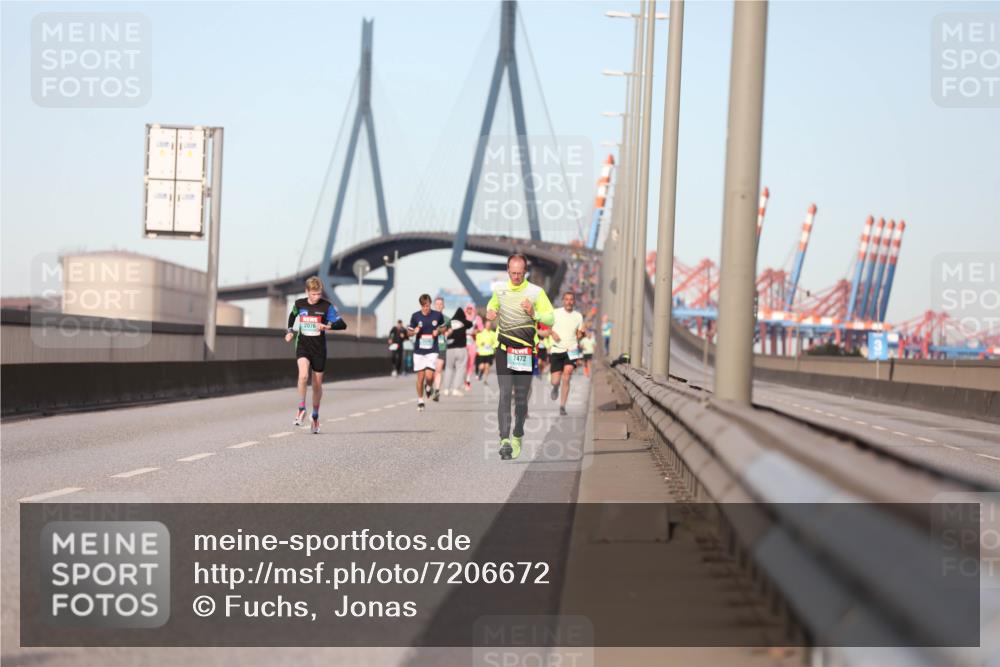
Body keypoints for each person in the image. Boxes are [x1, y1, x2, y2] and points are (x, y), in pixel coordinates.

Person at [486, 253, 554, 461]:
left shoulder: (536, 292)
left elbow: (550, 318)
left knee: (522, 398)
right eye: (513, 273)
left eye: (520, 273)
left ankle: (518, 434)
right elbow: (492, 305)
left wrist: (535, 313)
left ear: (526, 272)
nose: (516, 277)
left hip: (525, 351)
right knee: (505, 393)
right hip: (504, 348)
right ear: (508, 271)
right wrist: (490, 312)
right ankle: (504, 440)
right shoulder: (499, 289)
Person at [285, 276, 347, 433]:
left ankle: (315, 415)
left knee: (317, 384)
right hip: (303, 345)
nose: (316, 297)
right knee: (303, 376)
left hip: (319, 349)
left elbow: (342, 324)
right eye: (313, 294)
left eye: (319, 294)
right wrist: (290, 331)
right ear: (307, 292)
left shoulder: (327, 307)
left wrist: (327, 326)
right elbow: (292, 316)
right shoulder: (300, 304)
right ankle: (301, 408)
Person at [544, 291, 585, 416]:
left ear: (574, 301)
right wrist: (552, 333)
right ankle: (556, 387)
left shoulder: (578, 316)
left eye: (571, 299)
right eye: (566, 299)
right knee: (555, 381)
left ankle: (562, 406)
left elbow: (579, 334)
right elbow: (546, 327)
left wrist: (581, 335)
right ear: (563, 301)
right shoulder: (556, 313)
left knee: (567, 375)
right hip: (557, 349)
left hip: (571, 349)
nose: (569, 302)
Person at [408, 294, 446, 412]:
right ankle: (420, 400)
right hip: (419, 351)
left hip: (432, 350)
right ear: (421, 305)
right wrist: (414, 331)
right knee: (420, 376)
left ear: (430, 304)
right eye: (424, 306)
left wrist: (438, 331)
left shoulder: (437, 315)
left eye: (428, 306)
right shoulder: (415, 316)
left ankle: (428, 386)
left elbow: (444, 328)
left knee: (429, 376)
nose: (426, 308)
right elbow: (408, 333)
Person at [443, 304, 473, 397]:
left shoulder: (450, 322)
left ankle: (446, 389)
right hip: (461, 349)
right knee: (460, 369)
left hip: (450, 349)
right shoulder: (463, 322)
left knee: (448, 369)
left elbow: (443, 330)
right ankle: (456, 389)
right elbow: (470, 324)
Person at [431, 296, 448, 402]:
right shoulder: (429, 318)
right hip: (430, 347)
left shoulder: (447, 320)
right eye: (437, 304)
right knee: (430, 372)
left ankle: (437, 390)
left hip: (442, 346)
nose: (439, 306)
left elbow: (450, 333)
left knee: (439, 369)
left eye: (441, 304)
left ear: (444, 306)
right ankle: (430, 387)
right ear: (434, 306)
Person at [464, 303, 483, 390]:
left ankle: (467, 380)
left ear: (473, 309)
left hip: (472, 341)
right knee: (463, 361)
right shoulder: (462, 317)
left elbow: (481, 328)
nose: (469, 310)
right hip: (463, 341)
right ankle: (462, 379)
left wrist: (476, 331)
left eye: (471, 309)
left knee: (471, 362)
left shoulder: (477, 318)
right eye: (468, 308)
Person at [475, 319, 498, 383]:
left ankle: (485, 379)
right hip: (482, 352)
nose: (488, 326)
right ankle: (480, 373)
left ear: (490, 326)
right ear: (485, 325)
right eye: (487, 325)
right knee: (482, 366)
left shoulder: (493, 334)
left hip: (489, 352)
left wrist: (492, 346)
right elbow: (477, 342)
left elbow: (495, 343)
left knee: (487, 366)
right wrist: (481, 344)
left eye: (489, 325)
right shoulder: (481, 333)